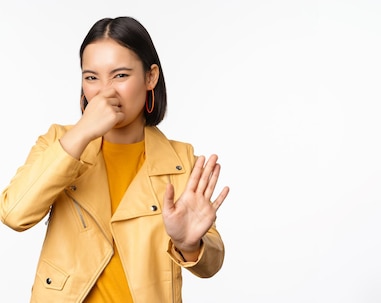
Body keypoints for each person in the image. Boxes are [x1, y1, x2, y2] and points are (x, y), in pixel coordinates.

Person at [0, 16, 229, 302]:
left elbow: (212, 263)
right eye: (91, 77)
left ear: (150, 77)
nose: (105, 91)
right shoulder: (58, 142)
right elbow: (13, 214)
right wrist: (83, 131)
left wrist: (189, 243)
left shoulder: (181, 160)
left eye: (120, 75)